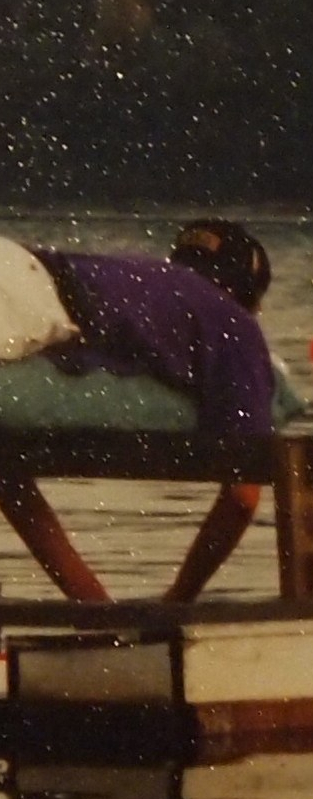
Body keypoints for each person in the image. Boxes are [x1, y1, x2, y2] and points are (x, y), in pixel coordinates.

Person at [0, 219, 277, 602]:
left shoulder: (139, 283)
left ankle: (94, 605)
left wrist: (94, 604)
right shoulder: (236, 325)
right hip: (20, 296)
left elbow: (8, 474)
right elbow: (243, 494)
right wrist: (179, 598)